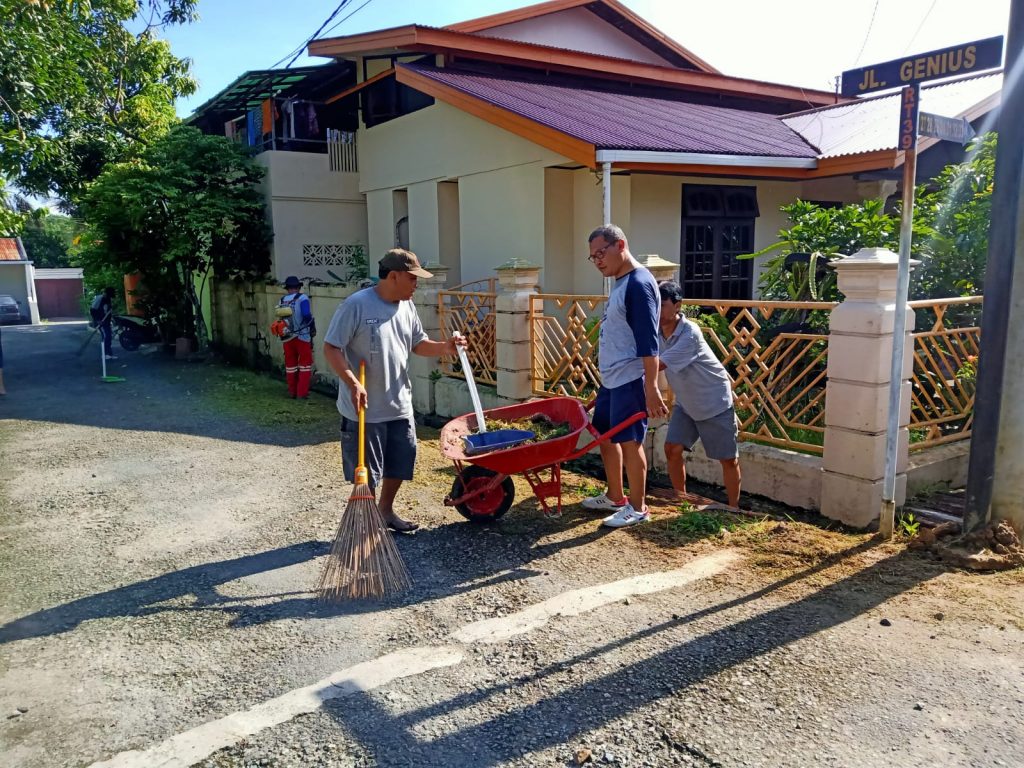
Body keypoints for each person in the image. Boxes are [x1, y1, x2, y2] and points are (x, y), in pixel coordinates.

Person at [323, 249, 466, 532]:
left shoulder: (407, 306)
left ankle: (385, 511)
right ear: (393, 276)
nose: (416, 284)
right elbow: (331, 347)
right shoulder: (356, 305)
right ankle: (365, 521)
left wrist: (446, 347)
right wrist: (353, 382)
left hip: (399, 403)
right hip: (364, 408)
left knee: (400, 462)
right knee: (367, 472)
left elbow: (418, 344)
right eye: (412, 278)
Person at [581, 224, 668, 528]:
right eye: (593, 257)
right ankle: (615, 496)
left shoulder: (638, 284)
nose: (598, 261)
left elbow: (648, 341)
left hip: (630, 379)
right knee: (605, 436)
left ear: (620, 245)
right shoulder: (621, 282)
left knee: (631, 442)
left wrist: (651, 387)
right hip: (612, 379)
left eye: (601, 253)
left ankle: (638, 507)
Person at [657, 280, 742, 508]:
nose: (656, 310)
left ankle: (733, 508)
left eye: (662, 305)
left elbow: (657, 365)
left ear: (678, 306)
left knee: (728, 459)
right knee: (672, 449)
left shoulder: (690, 333)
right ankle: (681, 500)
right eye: (653, 304)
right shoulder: (654, 332)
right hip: (686, 403)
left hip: (713, 401)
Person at [279, 276, 314, 399]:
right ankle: (302, 392)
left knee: (290, 365)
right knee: (305, 364)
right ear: (298, 287)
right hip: (302, 335)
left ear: (287, 288)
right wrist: (311, 325)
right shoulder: (302, 298)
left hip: (287, 336)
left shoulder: (282, 300)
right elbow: (306, 314)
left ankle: (292, 391)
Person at [90, 287, 116, 360]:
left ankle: (109, 354)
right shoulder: (99, 298)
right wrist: (97, 320)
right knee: (106, 336)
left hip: (106, 321)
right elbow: (92, 310)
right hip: (100, 322)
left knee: (109, 336)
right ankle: (105, 354)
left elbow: (108, 310)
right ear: (106, 293)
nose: (110, 297)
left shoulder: (108, 299)